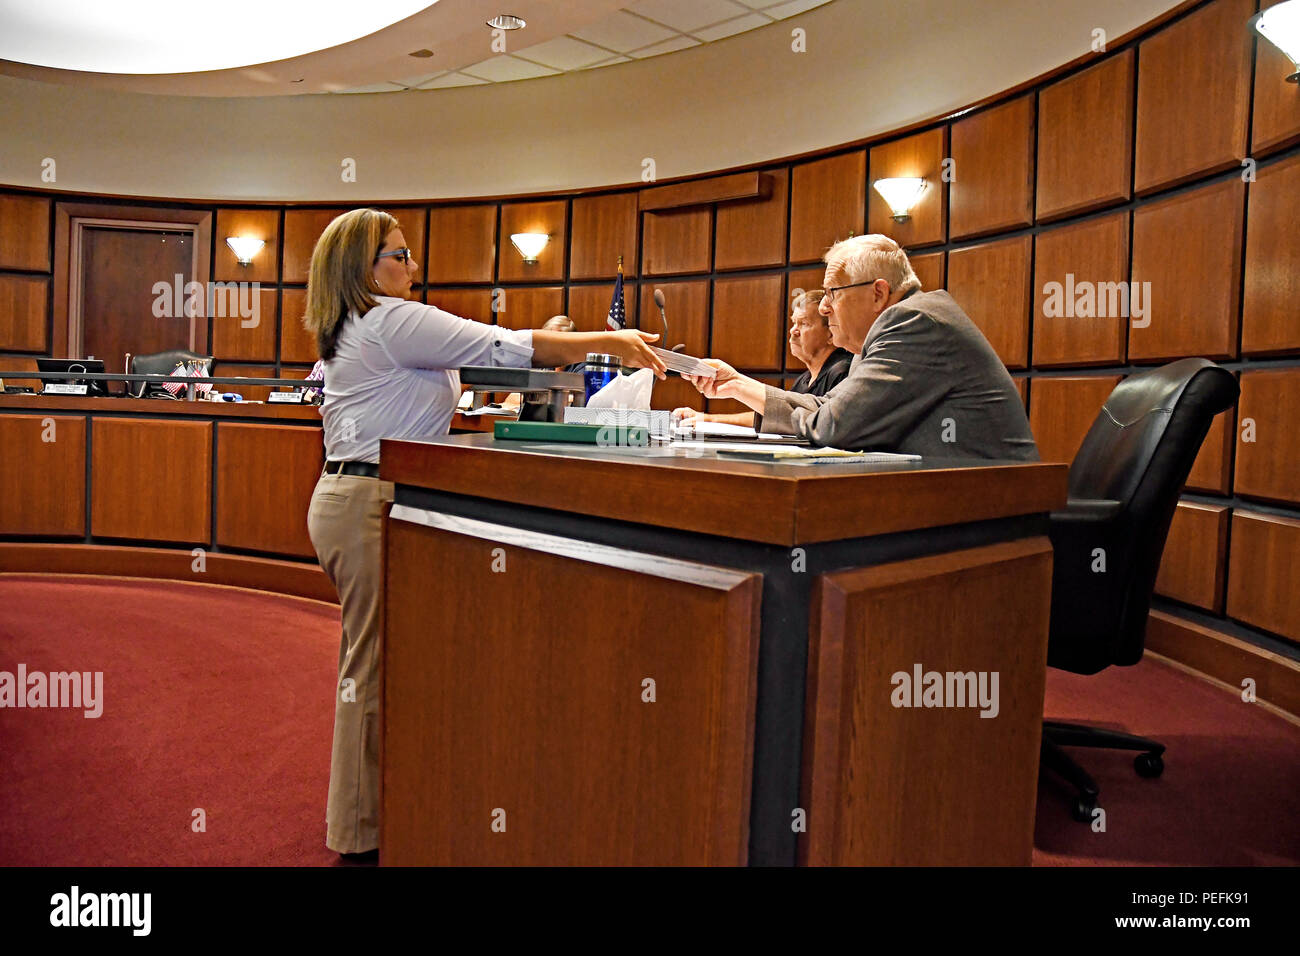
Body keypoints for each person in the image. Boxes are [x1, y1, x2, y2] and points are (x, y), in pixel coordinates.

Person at [301, 208, 666, 861]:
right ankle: (355, 837)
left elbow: (465, 370)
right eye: (398, 255)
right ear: (363, 268)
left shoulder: (365, 325)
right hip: (367, 498)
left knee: (377, 660)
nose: (412, 267)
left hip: (354, 493)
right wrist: (606, 342)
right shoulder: (390, 320)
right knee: (371, 665)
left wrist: (552, 340)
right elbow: (502, 346)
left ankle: (386, 812)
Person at [685, 235, 1038, 460]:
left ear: (878, 293)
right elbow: (831, 407)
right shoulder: (895, 325)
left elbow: (835, 426)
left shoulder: (912, 323)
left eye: (832, 294)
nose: (824, 308)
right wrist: (737, 385)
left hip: (986, 510)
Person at [672, 289, 852, 428]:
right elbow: (774, 416)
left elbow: (818, 422)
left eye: (803, 323)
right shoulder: (805, 379)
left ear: (831, 332)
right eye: (793, 322)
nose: (793, 330)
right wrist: (707, 418)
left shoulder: (843, 372)